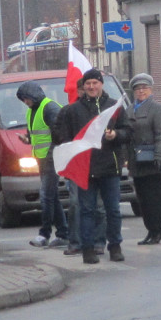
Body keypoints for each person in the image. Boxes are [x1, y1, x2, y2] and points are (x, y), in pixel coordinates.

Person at [55, 68, 130, 264]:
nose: (91, 86)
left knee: (112, 209)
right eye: (88, 83)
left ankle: (115, 246)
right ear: (83, 86)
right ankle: (87, 248)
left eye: (95, 83)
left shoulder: (114, 107)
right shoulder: (73, 110)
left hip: (110, 167)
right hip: (85, 169)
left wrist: (116, 135)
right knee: (86, 210)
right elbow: (64, 137)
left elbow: (128, 131)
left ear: (101, 84)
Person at [16, 80, 68, 248]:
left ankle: (44, 234)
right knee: (52, 197)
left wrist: (52, 155)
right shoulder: (34, 110)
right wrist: (28, 139)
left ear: (33, 95)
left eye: (26, 98)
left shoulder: (49, 108)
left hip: (50, 158)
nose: (25, 102)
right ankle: (63, 233)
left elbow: (59, 133)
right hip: (42, 157)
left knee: (46, 195)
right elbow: (41, 133)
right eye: (23, 99)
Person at [127, 73, 161, 245]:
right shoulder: (130, 109)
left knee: (155, 198)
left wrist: (159, 156)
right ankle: (153, 230)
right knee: (143, 199)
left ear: (150, 89)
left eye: (144, 88)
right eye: (138, 88)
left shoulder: (157, 108)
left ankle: (157, 230)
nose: (141, 91)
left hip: (153, 161)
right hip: (137, 160)